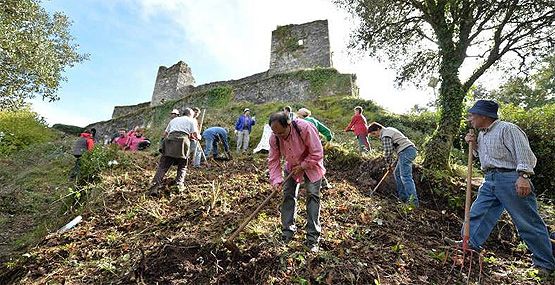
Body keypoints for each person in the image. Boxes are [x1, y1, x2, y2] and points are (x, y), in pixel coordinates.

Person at [463, 99, 554, 275]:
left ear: (484, 115)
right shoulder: (482, 134)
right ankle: (469, 244)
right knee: (478, 213)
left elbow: (524, 154)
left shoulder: (508, 129)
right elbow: (482, 156)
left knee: (527, 222)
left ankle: (545, 263)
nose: (470, 118)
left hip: (511, 178)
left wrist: (524, 176)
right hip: (490, 179)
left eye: (472, 114)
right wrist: (473, 145)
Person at [268, 112, 325, 252]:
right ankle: (287, 231)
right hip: (292, 167)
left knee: (312, 196)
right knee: (288, 195)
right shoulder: (274, 137)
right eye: (276, 134)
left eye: (282, 133)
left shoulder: (304, 128)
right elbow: (273, 160)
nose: (280, 136)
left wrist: (304, 165)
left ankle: (312, 238)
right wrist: (276, 180)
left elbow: (317, 152)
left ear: (289, 124)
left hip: (312, 165)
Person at [367, 122, 418, 206]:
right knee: (397, 173)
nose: (375, 136)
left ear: (378, 129)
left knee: (406, 177)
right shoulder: (389, 129)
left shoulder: (385, 135)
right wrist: (393, 164)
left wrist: (388, 164)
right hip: (405, 151)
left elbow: (388, 152)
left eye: (374, 133)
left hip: (406, 151)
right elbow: (398, 146)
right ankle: (403, 198)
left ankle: (413, 203)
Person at [149, 108, 199, 195]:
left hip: (169, 141)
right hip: (182, 142)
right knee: (182, 165)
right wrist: (198, 137)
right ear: (190, 114)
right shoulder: (191, 121)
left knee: (163, 166)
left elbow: (165, 134)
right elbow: (195, 135)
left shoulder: (174, 120)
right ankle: (179, 186)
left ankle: (154, 187)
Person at [296, 107, 334, 189]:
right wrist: (328, 139)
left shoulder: (302, 123)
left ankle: (312, 183)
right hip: (317, 147)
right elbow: (327, 131)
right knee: (317, 165)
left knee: (305, 165)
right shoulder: (314, 121)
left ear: (301, 115)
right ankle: (323, 183)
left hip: (305, 147)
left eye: (298, 115)